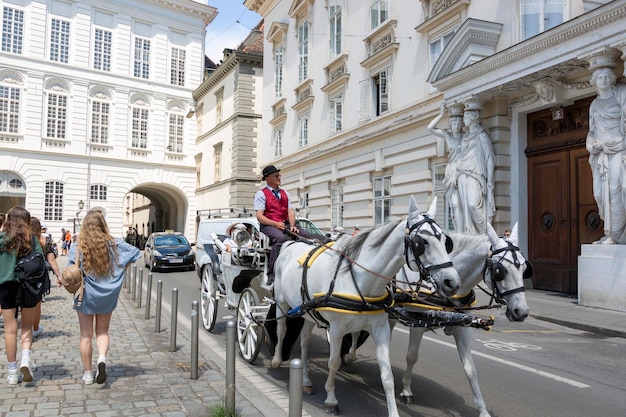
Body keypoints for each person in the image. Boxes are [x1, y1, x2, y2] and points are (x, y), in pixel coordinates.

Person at [66, 210, 140, 384]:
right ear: (103, 224)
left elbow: (70, 271)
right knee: (102, 331)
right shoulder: (115, 243)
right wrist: (121, 270)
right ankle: (101, 358)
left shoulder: (78, 246)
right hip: (107, 294)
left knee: (85, 335)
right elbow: (136, 253)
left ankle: (87, 374)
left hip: (85, 295)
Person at [0, 206, 45, 385]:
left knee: (10, 330)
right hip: (28, 286)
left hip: (6, 286)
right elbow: (41, 264)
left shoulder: (2, 240)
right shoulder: (31, 240)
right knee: (27, 327)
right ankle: (25, 359)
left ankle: (12, 373)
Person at [586, 66, 626, 244]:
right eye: (599, 77)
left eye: (605, 76)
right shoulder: (594, 104)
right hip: (599, 153)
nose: (602, 80)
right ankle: (609, 231)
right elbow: (592, 132)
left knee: (616, 190)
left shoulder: (621, 95)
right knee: (600, 194)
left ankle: (615, 236)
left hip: (618, 148)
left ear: (612, 79)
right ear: (594, 81)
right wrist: (590, 146)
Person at [254, 165, 311, 285]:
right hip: (269, 225)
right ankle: (273, 272)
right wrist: (274, 223)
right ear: (268, 178)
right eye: (276, 175)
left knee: (305, 235)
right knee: (280, 238)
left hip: (285, 223)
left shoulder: (285, 193)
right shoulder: (261, 194)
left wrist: (292, 225)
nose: (279, 177)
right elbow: (259, 216)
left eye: (279, 175)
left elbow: (290, 211)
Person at [455, 108, 496, 234]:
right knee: (465, 206)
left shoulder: (481, 135)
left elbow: (489, 157)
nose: (464, 120)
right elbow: (460, 156)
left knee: (473, 204)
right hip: (462, 172)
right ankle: (471, 236)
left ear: (473, 119)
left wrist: (490, 179)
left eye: (466, 117)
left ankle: (484, 234)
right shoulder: (465, 137)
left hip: (476, 172)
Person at [429, 103, 464, 230]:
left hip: (464, 169)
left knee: (464, 203)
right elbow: (430, 128)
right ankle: (459, 232)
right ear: (450, 125)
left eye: (459, 123)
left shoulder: (466, 137)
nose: (457, 126)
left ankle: (465, 230)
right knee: (454, 203)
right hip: (451, 170)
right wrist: (441, 114)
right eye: (454, 123)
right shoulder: (447, 136)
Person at [29, 220, 62, 338]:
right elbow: (51, 260)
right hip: (39, 275)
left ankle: (26, 329)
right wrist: (58, 275)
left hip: (24, 274)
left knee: (25, 303)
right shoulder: (45, 241)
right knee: (37, 303)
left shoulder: (23, 240)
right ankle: (35, 328)